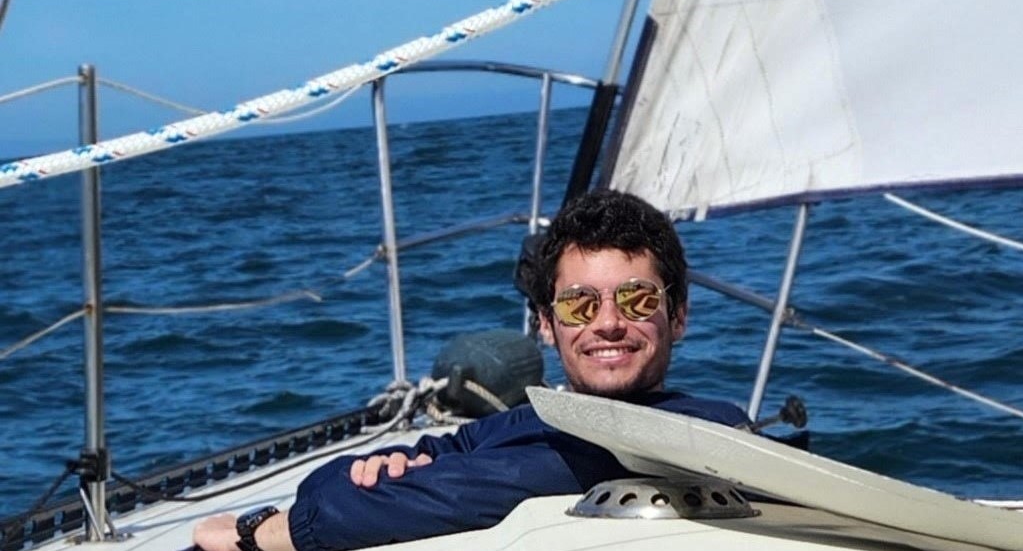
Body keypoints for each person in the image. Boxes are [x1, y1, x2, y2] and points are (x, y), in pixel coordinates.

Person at [193, 189, 748, 551]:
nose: (607, 323)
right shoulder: (532, 422)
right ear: (546, 326)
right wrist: (385, 463)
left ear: (676, 317)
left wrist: (262, 530)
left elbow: (464, 489)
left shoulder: (692, 429)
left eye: (636, 299)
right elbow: (437, 458)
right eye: (580, 303)